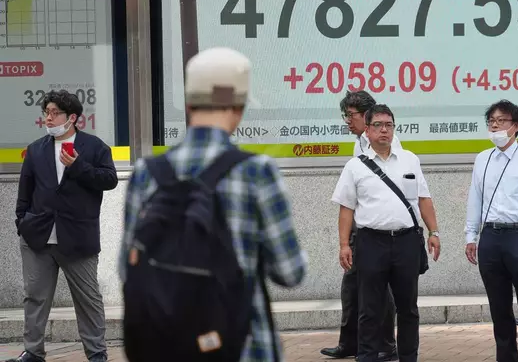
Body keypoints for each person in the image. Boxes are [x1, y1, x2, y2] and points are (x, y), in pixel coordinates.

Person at [119, 47, 307, 361]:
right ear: (238, 107)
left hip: (165, 347)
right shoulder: (256, 170)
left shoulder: (145, 174)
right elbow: (290, 272)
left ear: (189, 104)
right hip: (243, 346)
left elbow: (127, 269)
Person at [12, 90, 118, 362]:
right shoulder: (36, 149)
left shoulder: (94, 147)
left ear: (72, 118)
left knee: (88, 299)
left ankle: (96, 354)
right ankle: (33, 352)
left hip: (78, 238)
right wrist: (21, 223)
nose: (48, 118)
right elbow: (25, 191)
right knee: (34, 298)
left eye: (54, 113)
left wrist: (78, 165)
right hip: (38, 238)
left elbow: (109, 180)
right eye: (45, 112)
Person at [331, 104, 441, 362]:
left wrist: (433, 231)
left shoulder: (410, 159)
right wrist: (344, 244)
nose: (384, 130)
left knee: (408, 309)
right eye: (378, 125)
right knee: (369, 309)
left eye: (389, 125)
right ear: (367, 131)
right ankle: (367, 357)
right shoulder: (355, 166)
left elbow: (424, 199)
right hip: (371, 243)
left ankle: (408, 357)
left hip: (406, 242)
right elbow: (346, 208)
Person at [464, 100, 518, 362]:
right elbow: (475, 199)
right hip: (490, 239)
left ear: (516, 126)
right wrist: (471, 235)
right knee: (499, 309)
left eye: (502, 120)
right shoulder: (483, 159)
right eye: (491, 121)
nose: (495, 125)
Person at [321, 91, 399, 361]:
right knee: (352, 288)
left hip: (376, 233)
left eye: (350, 115)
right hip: (359, 230)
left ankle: (387, 345)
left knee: (380, 291)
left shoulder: (385, 146)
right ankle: (350, 342)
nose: (347, 121)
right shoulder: (359, 144)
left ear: (367, 116)